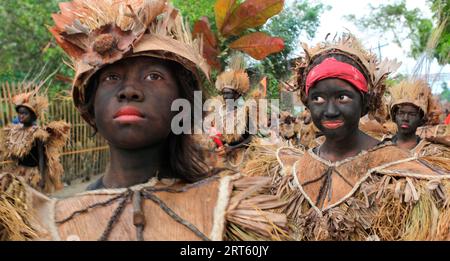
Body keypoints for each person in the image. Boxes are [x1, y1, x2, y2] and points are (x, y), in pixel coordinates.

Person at [0, 0, 287, 241]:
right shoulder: (47, 224)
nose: (129, 90)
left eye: (153, 76)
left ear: (184, 104)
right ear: (91, 109)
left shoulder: (226, 210)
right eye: (112, 77)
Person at [248, 34, 450, 240]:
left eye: (342, 97)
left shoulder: (406, 176)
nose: (330, 110)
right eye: (317, 98)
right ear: (307, 103)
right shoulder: (286, 171)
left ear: (364, 104)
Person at [0, 83, 70, 193]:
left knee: (32, 201)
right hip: (19, 171)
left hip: (32, 173)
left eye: (24, 113)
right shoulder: (14, 131)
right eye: (19, 113)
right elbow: (13, 154)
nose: (21, 116)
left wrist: (41, 177)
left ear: (32, 116)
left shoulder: (37, 133)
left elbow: (41, 157)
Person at [389, 79, 449, 158]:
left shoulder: (430, 152)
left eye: (412, 114)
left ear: (421, 120)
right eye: (401, 113)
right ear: (394, 117)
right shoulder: (382, 146)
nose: (405, 118)